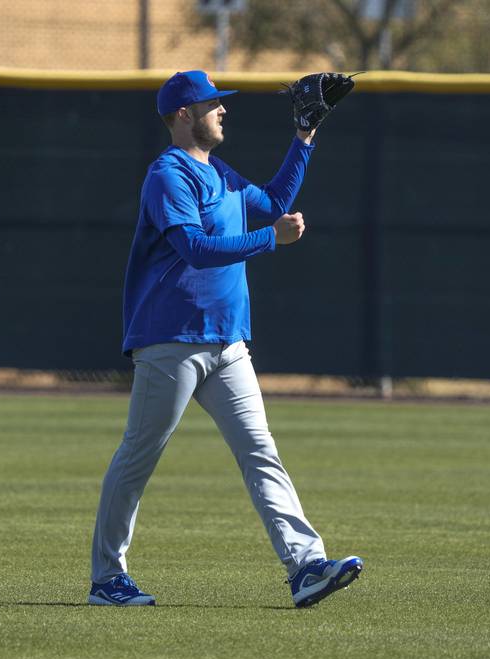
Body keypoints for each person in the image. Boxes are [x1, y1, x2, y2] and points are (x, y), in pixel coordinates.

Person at [88, 70, 362, 608]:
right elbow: (193, 247)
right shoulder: (169, 175)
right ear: (183, 115)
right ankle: (106, 578)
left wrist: (304, 136)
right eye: (213, 104)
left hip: (228, 342)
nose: (223, 111)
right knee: (139, 457)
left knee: (261, 452)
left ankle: (306, 566)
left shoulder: (224, 175)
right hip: (172, 339)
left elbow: (276, 198)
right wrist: (271, 239)